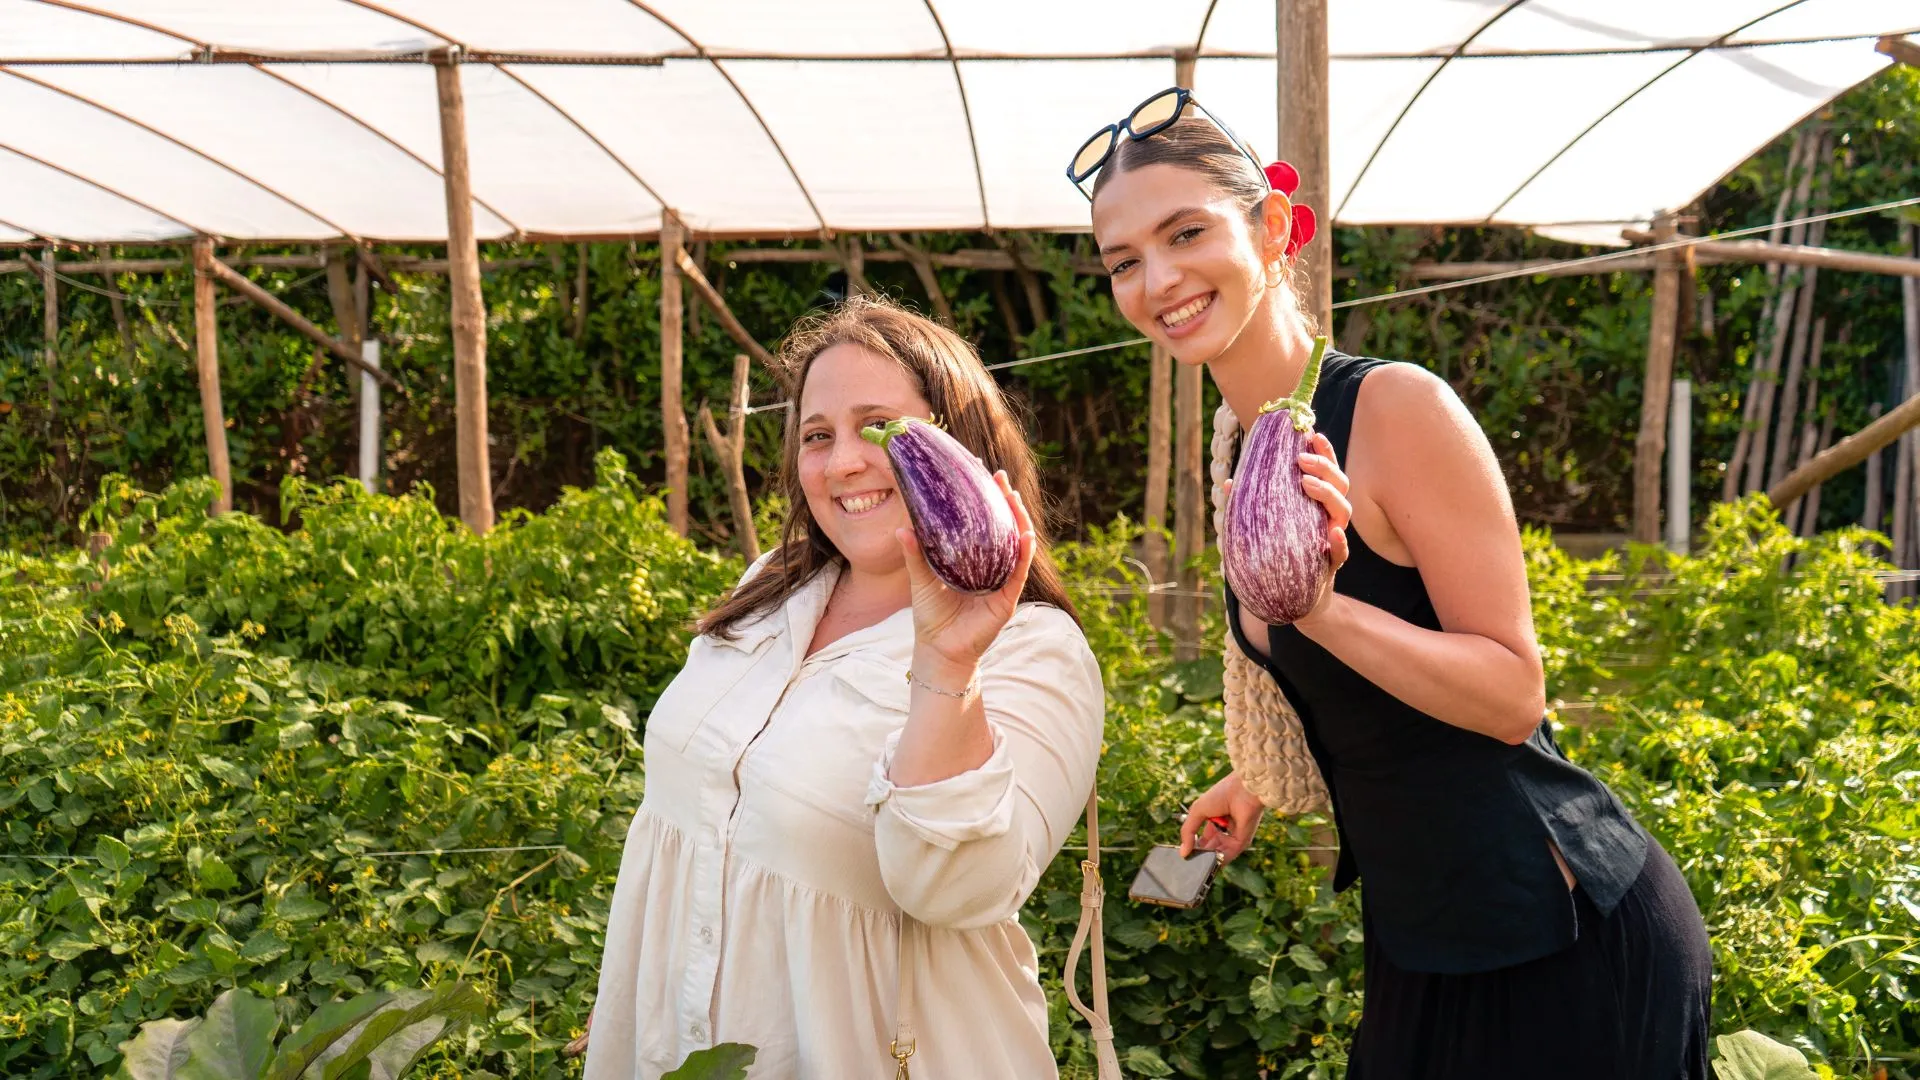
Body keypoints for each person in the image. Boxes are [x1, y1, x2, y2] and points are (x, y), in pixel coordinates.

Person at [1075, 88, 1713, 1079]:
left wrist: (1323, 612)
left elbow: (1510, 696)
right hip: (1425, 939)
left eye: (1184, 232)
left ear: (1275, 227)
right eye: (1123, 260)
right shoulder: (1238, 443)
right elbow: (1355, 682)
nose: (1156, 278)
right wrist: (1258, 776)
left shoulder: (1396, 411)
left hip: (1557, 940)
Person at [581, 296, 1104, 1079]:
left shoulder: (1034, 651)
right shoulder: (769, 590)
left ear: (958, 447)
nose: (844, 461)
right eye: (817, 436)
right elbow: (685, 836)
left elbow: (961, 890)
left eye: (881, 426)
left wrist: (947, 665)